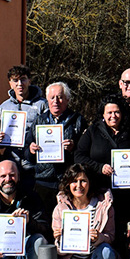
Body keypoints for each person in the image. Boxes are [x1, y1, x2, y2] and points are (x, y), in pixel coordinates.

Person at [75, 94, 130, 259]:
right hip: (102, 192)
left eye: (116, 112)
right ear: (103, 114)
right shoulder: (93, 131)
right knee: (109, 230)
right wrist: (99, 167)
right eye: (109, 112)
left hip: (129, 193)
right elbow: (79, 156)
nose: (113, 116)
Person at [51, 164, 116, 259]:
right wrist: (59, 239)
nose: (79, 185)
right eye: (74, 181)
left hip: (95, 258)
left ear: (90, 183)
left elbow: (111, 236)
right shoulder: (61, 208)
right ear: (68, 184)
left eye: (83, 181)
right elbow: (58, 250)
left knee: (106, 250)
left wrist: (100, 237)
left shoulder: (103, 205)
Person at [26, 82, 88, 212]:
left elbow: (85, 153)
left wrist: (73, 148)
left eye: (60, 97)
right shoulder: (39, 121)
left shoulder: (78, 121)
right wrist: (31, 150)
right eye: (52, 97)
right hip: (43, 182)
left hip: (69, 182)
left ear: (67, 100)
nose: (56, 101)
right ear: (47, 100)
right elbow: (27, 154)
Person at [0, 65, 48, 188]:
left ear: (29, 81)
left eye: (23, 79)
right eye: (15, 80)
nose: (19, 84)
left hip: (34, 164)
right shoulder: (3, 107)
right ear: (10, 83)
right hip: (11, 162)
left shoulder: (42, 105)